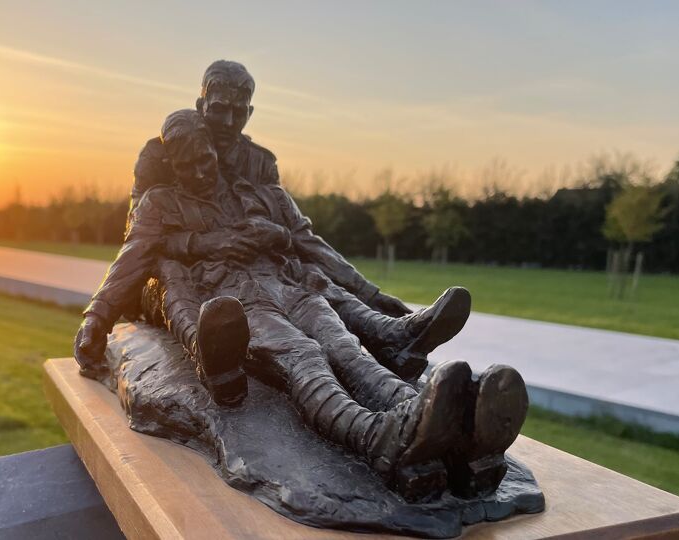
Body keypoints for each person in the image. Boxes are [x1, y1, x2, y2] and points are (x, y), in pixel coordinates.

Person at [76, 110, 527, 500]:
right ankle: (375, 437)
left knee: (347, 349)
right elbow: (131, 260)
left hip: (288, 287)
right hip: (236, 302)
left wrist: (271, 236)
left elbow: (295, 237)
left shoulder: (247, 193)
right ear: (172, 165)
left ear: (215, 152)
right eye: (188, 164)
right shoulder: (161, 203)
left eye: (207, 158)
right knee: (305, 360)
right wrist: (96, 317)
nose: (201, 171)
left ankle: (447, 426)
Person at [129, 60, 470, 381]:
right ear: (201, 104)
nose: (229, 123)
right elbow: (137, 236)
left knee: (303, 272)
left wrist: (371, 293)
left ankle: (389, 335)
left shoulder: (260, 164)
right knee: (246, 286)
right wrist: (202, 243)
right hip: (183, 278)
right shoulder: (162, 152)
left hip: (257, 271)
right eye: (219, 109)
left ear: (250, 112)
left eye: (238, 112)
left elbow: (300, 235)